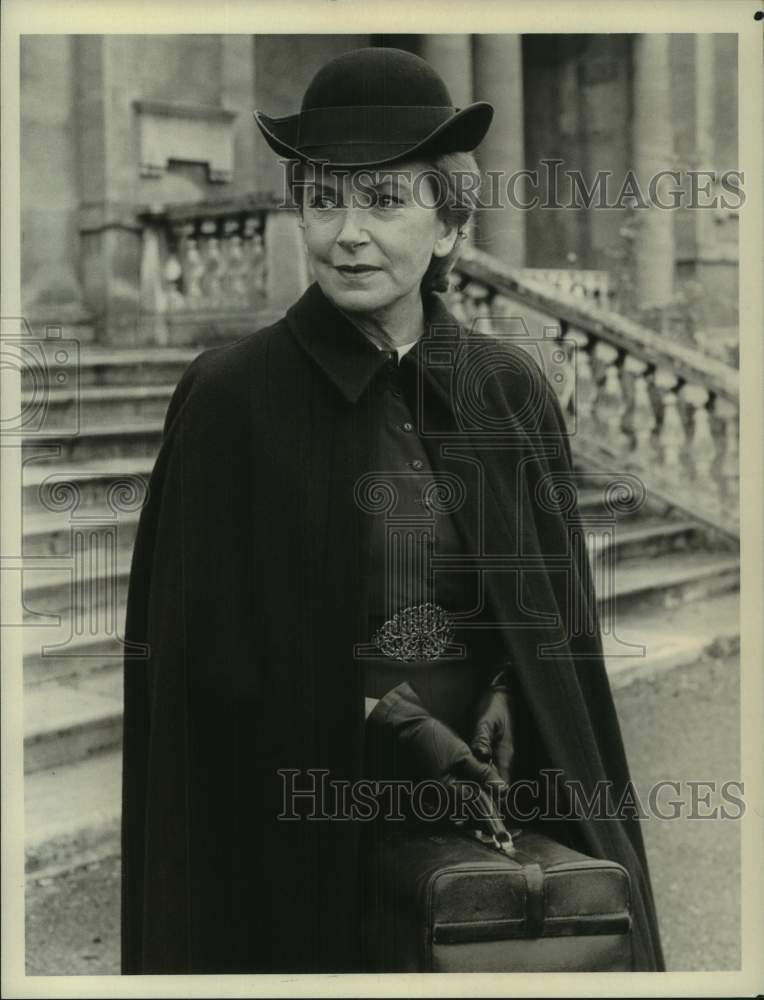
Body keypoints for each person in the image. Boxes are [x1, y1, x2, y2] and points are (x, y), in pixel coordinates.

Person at [121, 46, 665, 974]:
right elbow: (197, 668)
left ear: (451, 226)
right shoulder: (230, 401)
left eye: (384, 202)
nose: (347, 235)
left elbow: (550, 631)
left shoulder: (506, 391)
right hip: (299, 840)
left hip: (491, 820)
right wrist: (386, 716)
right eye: (324, 200)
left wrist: (502, 690)